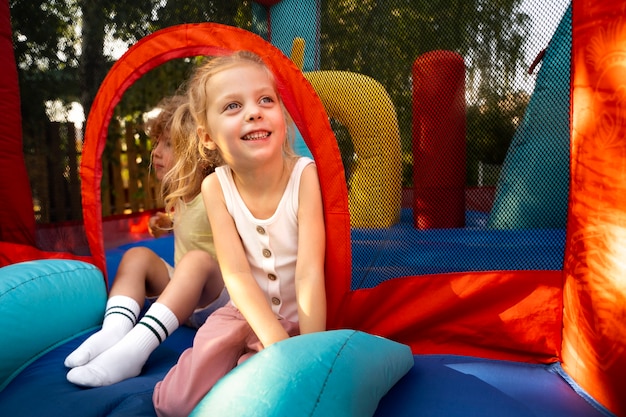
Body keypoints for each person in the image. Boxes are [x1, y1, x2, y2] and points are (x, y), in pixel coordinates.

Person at [152, 51, 327, 417]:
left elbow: (310, 272)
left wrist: (308, 354)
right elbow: (237, 275)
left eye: (266, 99)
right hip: (243, 313)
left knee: (272, 393)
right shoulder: (217, 187)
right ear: (208, 137)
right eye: (233, 106)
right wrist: (275, 343)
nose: (254, 111)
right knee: (174, 404)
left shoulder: (303, 176)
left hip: (301, 322)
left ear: (282, 116)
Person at [64, 95, 229, 387]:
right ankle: (114, 330)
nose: (156, 153)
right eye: (157, 143)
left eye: (167, 144)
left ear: (198, 151)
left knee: (197, 261)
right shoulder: (180, 194)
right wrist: (165, 221)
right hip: (183, 296)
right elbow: (191, 224)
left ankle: (133, 351)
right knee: (137, 255)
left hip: (220, 298)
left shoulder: (216, 190)